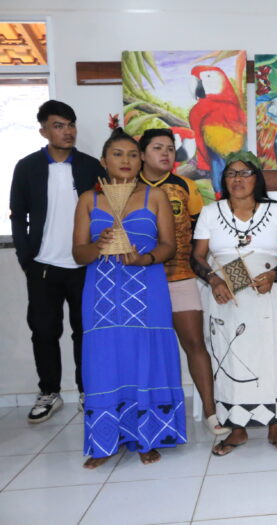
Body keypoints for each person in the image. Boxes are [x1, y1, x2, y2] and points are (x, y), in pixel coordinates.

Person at [74, 128, 186, 468]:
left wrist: (144, 258)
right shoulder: (89, 200)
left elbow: (169, 246)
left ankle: (146, 437)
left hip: (147, 289)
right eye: (118, 154)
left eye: (133, 154)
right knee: (104, 362)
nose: (126, 160)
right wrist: (98, 245)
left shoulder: (156, 196)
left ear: (141, 161)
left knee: (145, 359)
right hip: (102, 294)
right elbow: (78, 253)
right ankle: (104, 441)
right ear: (103, 161)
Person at [191, 150, 277, 456]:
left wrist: (276, 274)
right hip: (226, 295)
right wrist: (213, 280)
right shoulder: (210, 213)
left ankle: (275, 428)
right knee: (230, 357)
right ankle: (237, 430)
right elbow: (196, 256)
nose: (237, 179)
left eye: (244, 173)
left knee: (271, 356)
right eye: (231, 173)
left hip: (267, 293)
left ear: (257, 178)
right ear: (223, 179)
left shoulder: (276, 211)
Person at [10, 100, 106, 423]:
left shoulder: (92, 167)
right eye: (58, 126)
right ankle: (49, 392)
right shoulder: (27, 167)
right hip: (43, 266)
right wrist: (26, 258)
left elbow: (106, 212)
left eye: (70, 125)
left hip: (85, 266)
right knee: (43, 331)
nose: (67, 132)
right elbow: (18, 215)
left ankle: (87, 390)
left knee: (86, 332)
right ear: (44, 131)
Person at [138, 128, 228, 436]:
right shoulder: (129, 188)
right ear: (142, 154)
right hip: (141, 280)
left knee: (194, 344)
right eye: (157, 148)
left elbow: (200, 236)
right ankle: (148, 412)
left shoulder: (184, 186)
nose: (165, 153)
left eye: (169, 148)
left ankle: (211, 412)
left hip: (180, 277)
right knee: (146, 350)